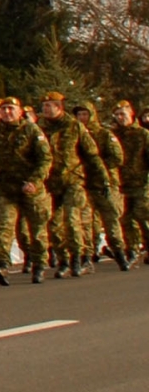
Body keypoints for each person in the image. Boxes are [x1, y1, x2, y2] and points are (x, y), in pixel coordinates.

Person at [0, 96, 52, 285]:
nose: (7, 113)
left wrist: (35, 181)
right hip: (5, 189)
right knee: (2, 227)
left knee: (36, 230)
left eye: (11, 109)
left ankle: (39, 264)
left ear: (20, 111)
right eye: (4, 109)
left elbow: (45, 159)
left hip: (31, 189)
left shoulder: (31, 130)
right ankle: (2, 264)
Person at [36, 92, 108, 278]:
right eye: (44, 106)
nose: (46, 109)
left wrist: (103, 179)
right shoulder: (38, 128)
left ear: (59, 107)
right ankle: (63, 260)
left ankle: (79, 258)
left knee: (72, 220)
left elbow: (91, 154)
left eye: (50, 106)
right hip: (50, 183)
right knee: (53, 225)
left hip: (73, 180)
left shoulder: (74, 126)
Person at [73, 103, 129, 270]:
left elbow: (117, 157)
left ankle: (119, 252)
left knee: (111, 220)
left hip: (105, 184)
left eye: (85, 114)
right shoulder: (74, 135)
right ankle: (87, 257)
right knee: (87, 223)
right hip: (84, 184)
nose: (82, 118)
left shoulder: (104, 134)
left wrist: (101, 168)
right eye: (79, 115)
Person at [113, 101, 149, 266]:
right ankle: (132, 250)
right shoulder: (113, 135)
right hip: (121, 184)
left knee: (143, 216)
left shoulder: (142, 134)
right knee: (126, 219)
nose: (120, 118)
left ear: (132, 115)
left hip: (141, 183)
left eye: (123, 114)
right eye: (118, 115)